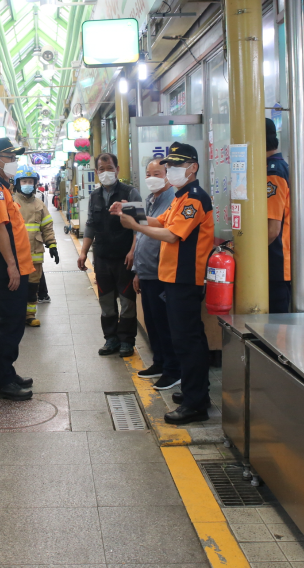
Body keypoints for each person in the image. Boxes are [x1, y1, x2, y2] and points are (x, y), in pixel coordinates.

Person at [112, 142, 213, 425]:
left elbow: (171, 235)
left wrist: (135, 227)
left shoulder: (194, 198)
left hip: (185, 278)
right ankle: (197, 393)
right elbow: (159, 220)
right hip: (173, 277)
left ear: (193, 167)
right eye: (170, 166)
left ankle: (196, 404)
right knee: (186, 338)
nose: (172, 171)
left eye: (178, 166)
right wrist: (130, 210)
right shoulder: (180, 197)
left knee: (187, 340)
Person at [0, 137, 35, 401]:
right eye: (9, 157)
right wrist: (12, 266)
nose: (13, 162)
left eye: (14, 157)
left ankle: (8, 373)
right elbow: (0, 229)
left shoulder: (1, 186)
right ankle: (1, 382)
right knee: (11, 325)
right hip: (6, 270)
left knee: (14, 324)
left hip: (15, 267)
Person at [76, 153, 141, 356]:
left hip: (125, 258)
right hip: (102, 258)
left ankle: (127, 341)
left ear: (117, 169)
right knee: (106, 301)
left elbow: (139, 227)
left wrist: (133, 251)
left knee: (127, 301)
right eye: (101, 169)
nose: (106, 172)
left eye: (109, 168)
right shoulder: (94, 196)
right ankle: (111, 339)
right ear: (96, 172)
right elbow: (90, 226)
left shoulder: (130, 193)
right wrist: (83, 252)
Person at [132, 159, 179, 390]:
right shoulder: (151, 199)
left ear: (168, 174)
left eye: (157, 173)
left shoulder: (173, 199)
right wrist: (137, 271)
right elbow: (142, 238)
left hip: (163, 272)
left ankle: (173, 369)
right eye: (148, 173)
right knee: (153, 323)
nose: (151, 177)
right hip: (148, 271)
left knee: (165, 324)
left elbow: (165, 232)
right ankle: (159, 362)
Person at [13, 166, 58, 326]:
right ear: (17, 183)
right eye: (24, 181)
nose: (27, 184)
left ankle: (30, 315)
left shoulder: (39, 204)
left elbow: (47, 226)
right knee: (17, 287)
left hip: (36, 253)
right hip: (16, 255)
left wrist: (52, 244)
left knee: (33, 286)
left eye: (30, 181)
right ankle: (18, 315)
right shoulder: (11, 203)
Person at [266, 119, 292, 313]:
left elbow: (273, 230)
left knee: (276, 329)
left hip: (275, 262)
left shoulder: (273, 173)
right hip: (272, 262)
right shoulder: (275, 168)